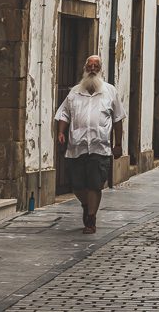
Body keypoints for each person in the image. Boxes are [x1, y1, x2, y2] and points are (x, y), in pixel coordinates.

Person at [55, 54, 125, 234]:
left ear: (100, 69)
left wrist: (118, 144)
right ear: (85, 68)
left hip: (99, 147)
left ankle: (91, 219)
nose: (92, 68)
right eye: (90, 65)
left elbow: (117, 119)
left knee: (95, 184)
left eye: (96, 65)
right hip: (76, 146)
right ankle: (86, 205)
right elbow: (64, 114)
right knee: (77, 185)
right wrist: (61, 132)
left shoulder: (110, 91)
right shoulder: (75, 92)